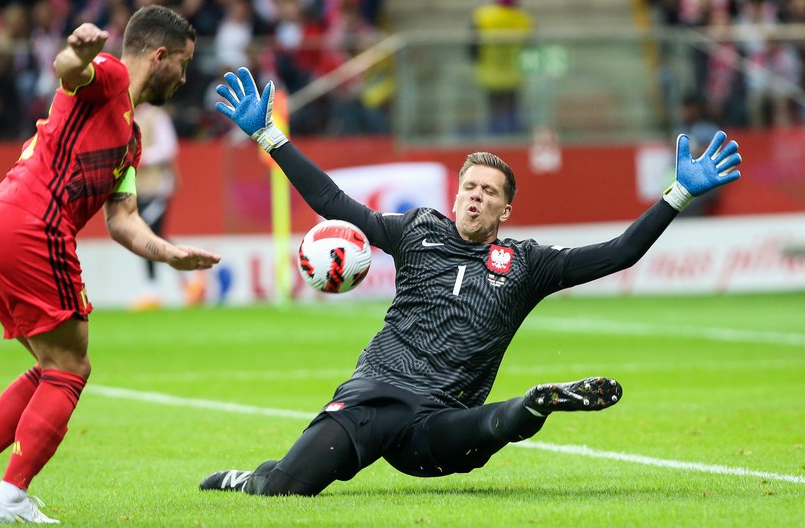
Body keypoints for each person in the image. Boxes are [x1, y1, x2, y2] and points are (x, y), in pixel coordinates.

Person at [199, 68, 741, 497]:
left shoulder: (528, 263)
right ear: (455, 194)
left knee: (490, 425)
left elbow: (620, 253)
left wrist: (678, 196)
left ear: (507, 207)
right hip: (374, 393)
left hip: (439, 420)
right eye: (468, 186)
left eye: (488, 190)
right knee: (286, 489)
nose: (475, 196)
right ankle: (256, 478)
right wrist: (269, 135)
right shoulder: (415, 231)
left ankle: (537, 403)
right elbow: (331, 202)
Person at [0, 6, 219, 524]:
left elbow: (124, 221)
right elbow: (69, 69)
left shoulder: (130, 141)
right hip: (31, 225)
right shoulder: (107, 75)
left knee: (53, 365)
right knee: (71, 368)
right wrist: (79, 48)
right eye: (182, 62)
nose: (184, 76)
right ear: (159, 55)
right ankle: (11, 498)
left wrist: (169, 252)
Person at [130, 102, 205, 309]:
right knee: (151, 236)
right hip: (139, 187)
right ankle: (189, 282)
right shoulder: (128, 116)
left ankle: (160, 288)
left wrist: (143, 157)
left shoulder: (156, 116)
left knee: (151, 235)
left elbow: (168, 147)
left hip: (157, 187)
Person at [470, 0, 535, 136]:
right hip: (514, 74)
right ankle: (514, 143)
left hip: (490, 74)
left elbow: (472, 50)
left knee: (493, 114)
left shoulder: (483, 16)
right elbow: (530, 48)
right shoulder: (523, 18)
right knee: (513, 113)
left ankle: (494, 143)